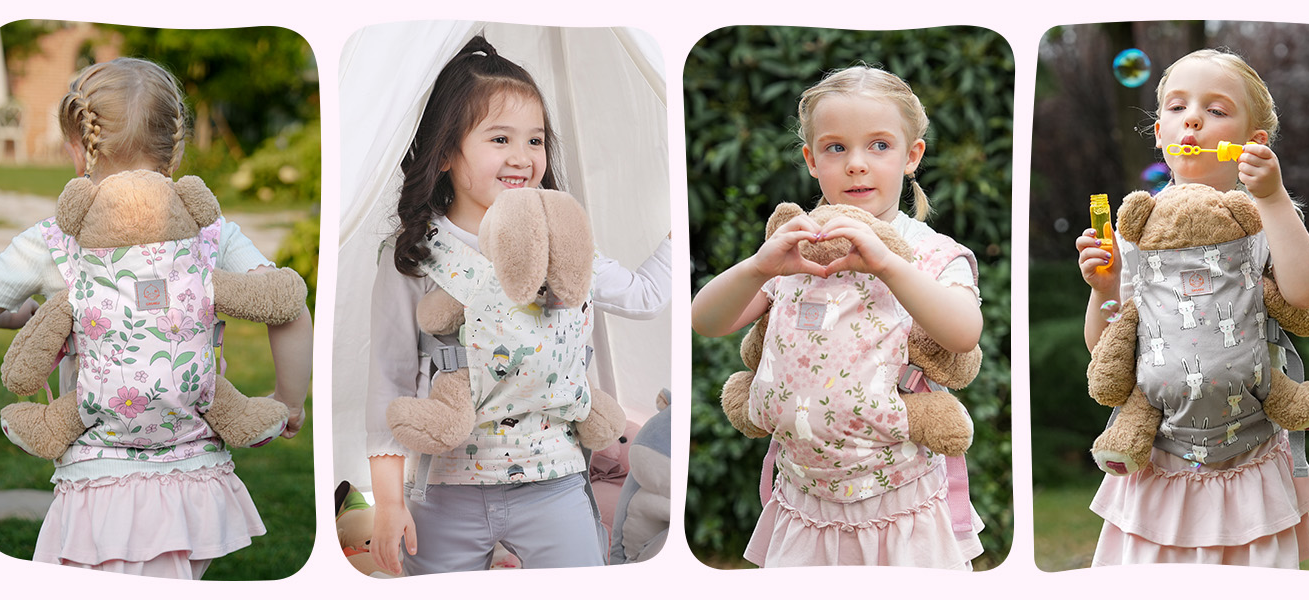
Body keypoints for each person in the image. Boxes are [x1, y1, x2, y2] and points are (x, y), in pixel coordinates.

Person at [0, 57, 313, 578]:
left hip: (99, 478)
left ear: (78, 146)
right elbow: (287, 308)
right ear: (175, 149)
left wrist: (0, 317)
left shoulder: (53, 241)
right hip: (197, 479)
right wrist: (288, 402)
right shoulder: (211, 233)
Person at [365, 35, 671, 575]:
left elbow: (644, 296)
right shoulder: (414, 253)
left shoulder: (563, 243)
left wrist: (678, 238)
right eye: (500, 138)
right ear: (444, 153)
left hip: (554, 483)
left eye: (535, 140)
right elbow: (388, 382)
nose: (522, 157)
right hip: (446, 489)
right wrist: (388, 503)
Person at [692, 65, 985, 568]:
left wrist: (889, 265)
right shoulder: (798, 247)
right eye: (835, 148)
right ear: (811, 160)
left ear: (911, 156)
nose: (856, 165)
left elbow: (963, 333)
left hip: (898, 500)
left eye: (879, 146)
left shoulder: (929, 252)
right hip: (805, 500)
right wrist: (759, 266)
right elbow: (707, 320)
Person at [1076, 48, 1309, 567]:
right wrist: (1103, 290)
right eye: (1177, 107)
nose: (1192, 119)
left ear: (1253, 143)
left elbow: (1306, 294)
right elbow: (1106, 349)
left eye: (1216, 110)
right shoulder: (1136, 231)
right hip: (1159, 462)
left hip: (1249, 457)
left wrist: (1274, 198)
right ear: (1159, 135)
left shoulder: (1264, 220)